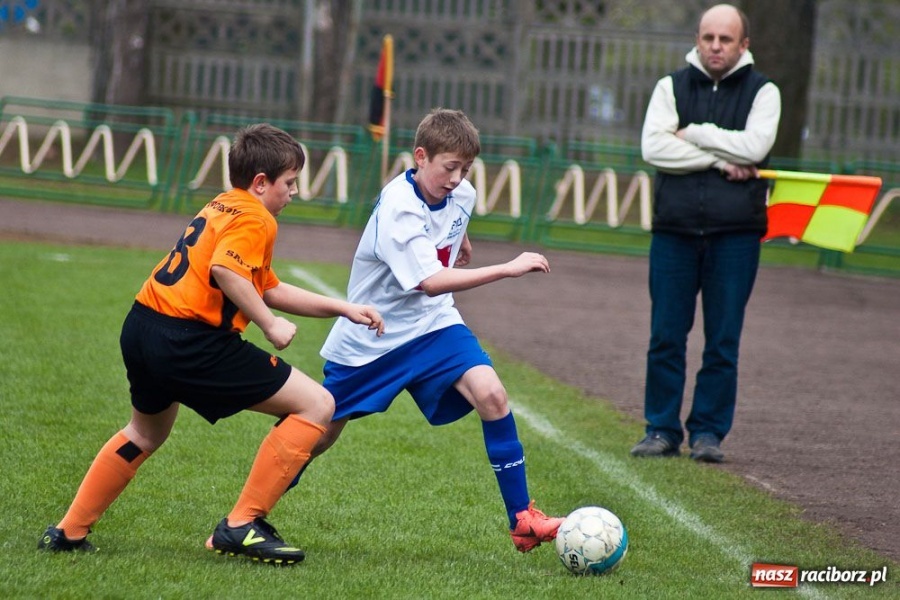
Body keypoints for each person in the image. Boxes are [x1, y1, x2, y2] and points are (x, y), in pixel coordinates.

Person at [37, 123, 385, 565]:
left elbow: (267, 286)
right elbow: (227, 271)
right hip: (189, 340)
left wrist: (343, 308)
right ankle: (241, 525)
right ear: (261, 183)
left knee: (143, 433)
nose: (294, 193)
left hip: (142, 326)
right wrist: (269, 325)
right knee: (317, 405)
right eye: (290, 183)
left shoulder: (224, 204)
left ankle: (68, 530)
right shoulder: (258, 217)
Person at [288, 108, 563, 552]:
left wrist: (463, 240)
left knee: (491, 394)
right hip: (373, 334)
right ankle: (250, 513)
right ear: (420, 156)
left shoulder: (462, 193)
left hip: (433, 326)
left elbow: (455, 220)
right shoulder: (399, 207)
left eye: (465, 169)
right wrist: (507, 268)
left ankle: (522, 520)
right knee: (320, 433)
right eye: (449, 167)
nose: (457, 179)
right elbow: (430, 281)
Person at [631, 4, 781, 463]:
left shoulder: (764, 92)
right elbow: (654, 148)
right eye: (708, 37)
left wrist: (693, 132)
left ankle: (708, 434)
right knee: (665, 335)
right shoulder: (669, 86)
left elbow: (756, 146)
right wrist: (719, 158)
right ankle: (660, 429)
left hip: (735, 234)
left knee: (722, 339)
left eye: (726, 39)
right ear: (697, 39)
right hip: (674, 231)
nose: (715, 46)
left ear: (743, 45)